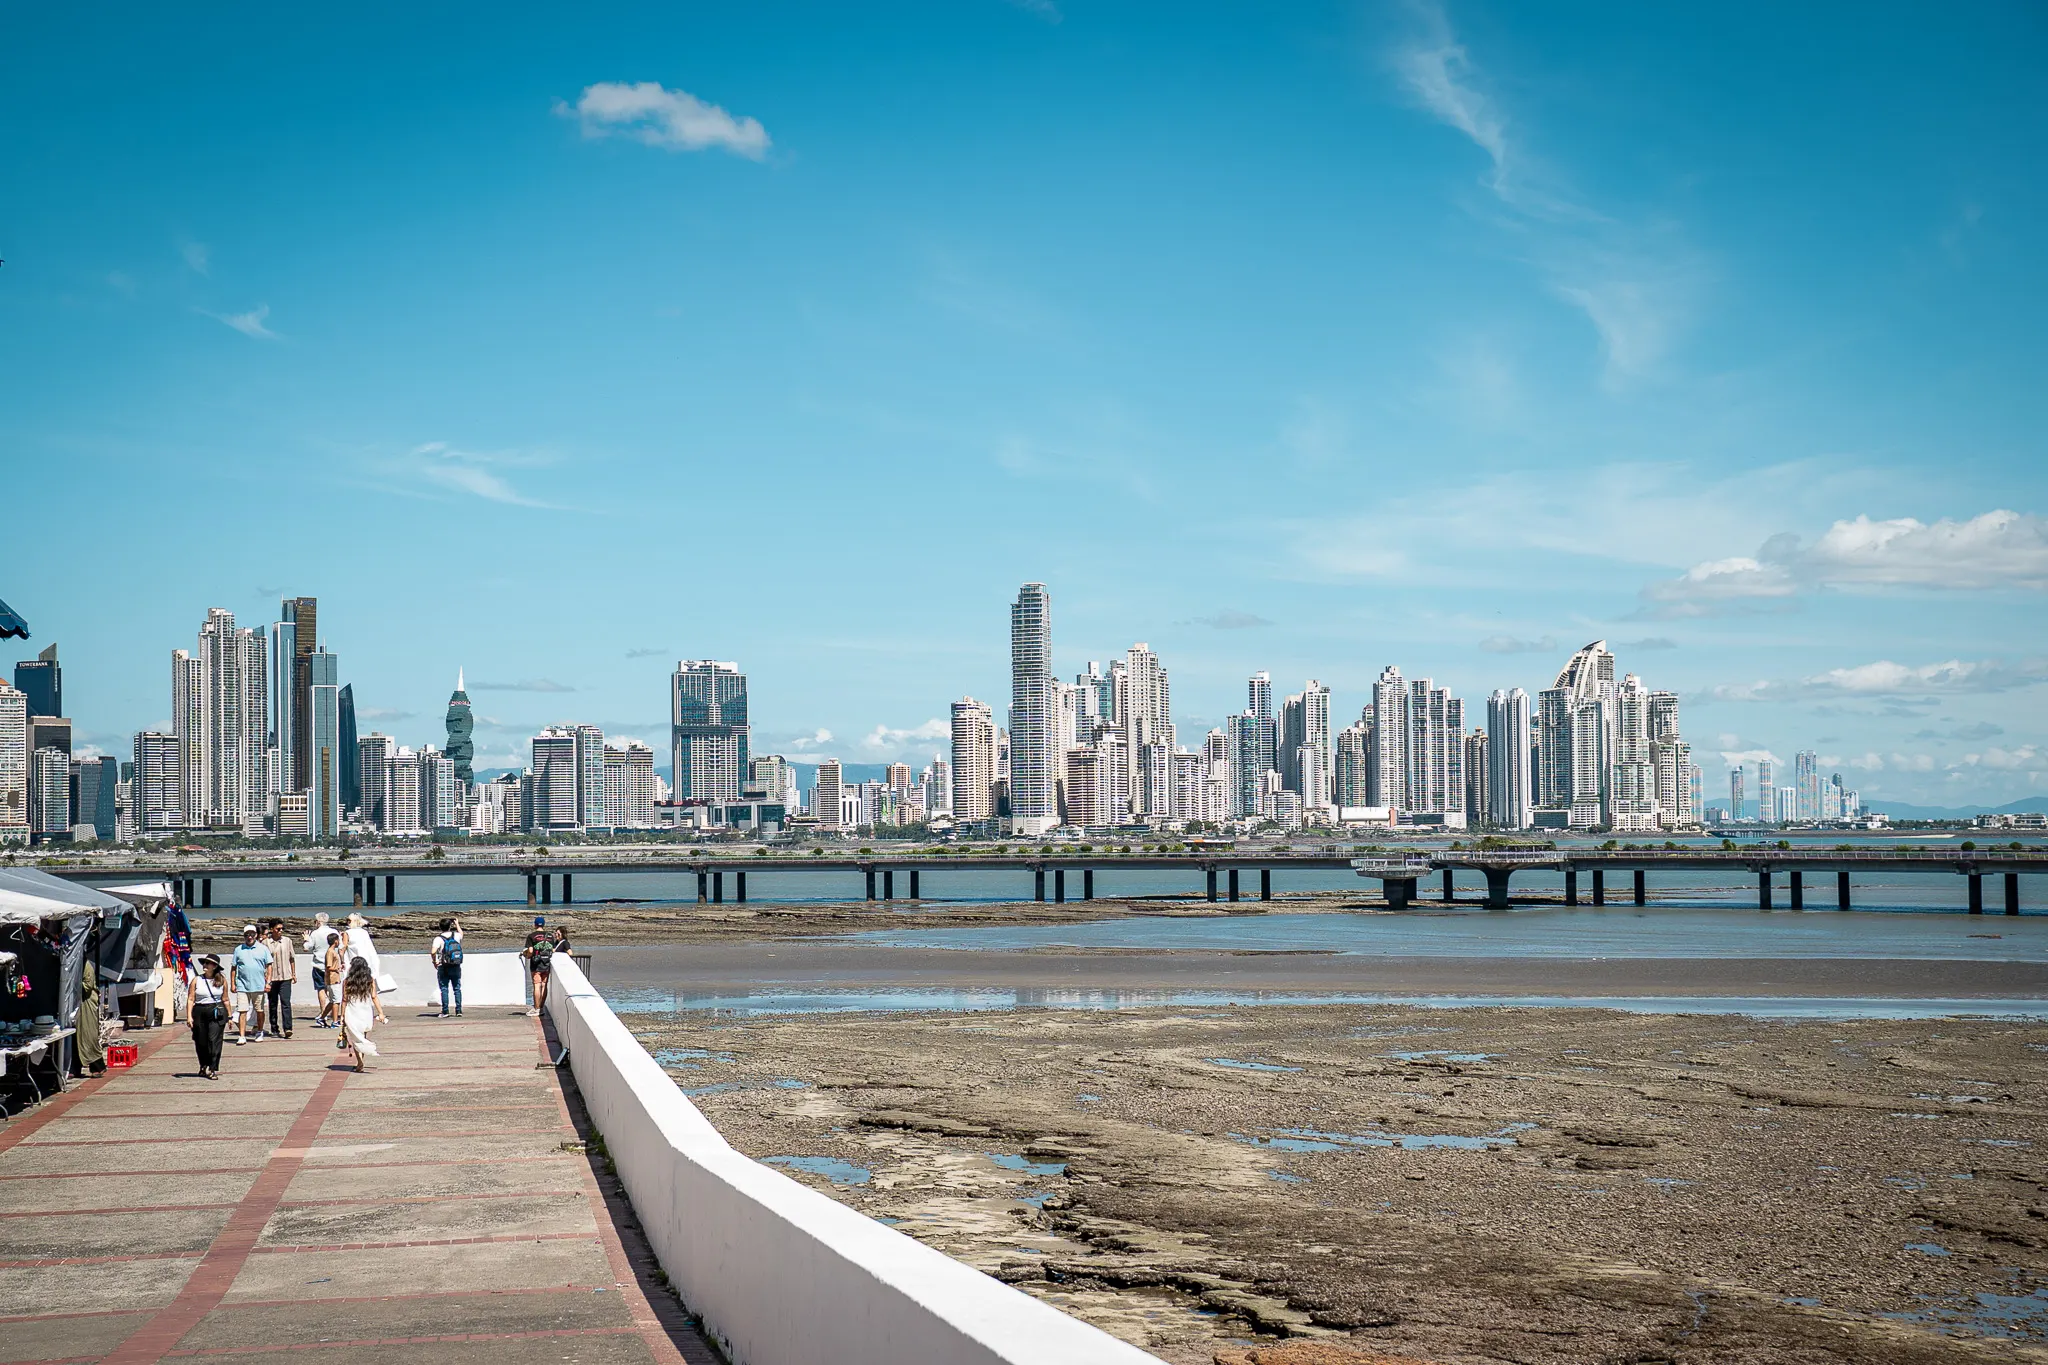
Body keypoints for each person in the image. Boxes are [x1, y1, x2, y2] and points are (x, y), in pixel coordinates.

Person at [229, 924, 272, 1044]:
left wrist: (268, 982)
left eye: (252, 934)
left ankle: (259, 1031)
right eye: (247, 935)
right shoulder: (238, 949)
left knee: (259, 1010)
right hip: (242, 986)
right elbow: (233, 968)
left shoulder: (263, 949)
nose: (249, 937)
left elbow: (269, 966)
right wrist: (233, 983)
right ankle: (242, 1035)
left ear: (256, 935)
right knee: (242, 1010)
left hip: (259, 986)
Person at [343, 913, 388, 1023]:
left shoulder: (347, 933)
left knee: (351, 992)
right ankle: (372, 1013)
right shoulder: (364, 933)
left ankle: (349, 1014)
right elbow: (370, 950)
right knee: (367, 992)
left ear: (354, 922)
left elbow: (343, 948)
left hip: (353, 965)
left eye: (348, 920)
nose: (347, 922)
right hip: (365, 965)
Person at [189, 954, 228, 1079]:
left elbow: (225, 999)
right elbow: (190, 999)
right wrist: (189, 1016)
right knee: (201, 1041)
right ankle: (203, 1065)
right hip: (199, 1011)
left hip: (216, 1011)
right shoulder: (197, 980)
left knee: (214, 1040)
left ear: (215, 966)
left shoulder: (221, 980)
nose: (205, 965)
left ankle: (212, 1068)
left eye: (208, 963)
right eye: (204, 963)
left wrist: (230, 1016)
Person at [339, 957, 379, 1072]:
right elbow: (374, 996)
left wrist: (342, 1016)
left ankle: (359, 1061)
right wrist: (381, 1013)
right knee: (363, 1036)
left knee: (356, 1037)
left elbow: (344, 1000)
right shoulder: (370, 980)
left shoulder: (347, 981)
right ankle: (361, 1060)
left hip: (352, 1011)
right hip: (365, 1011)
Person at [303, 913, 339, 1028]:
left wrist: (306, 939)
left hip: (319, 965)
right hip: (332, 967)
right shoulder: (334, 932)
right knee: (333, 991)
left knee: (321, 989)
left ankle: (323, 1012)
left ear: (318, 922)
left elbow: (306, 948)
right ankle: (330, 1014)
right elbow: (341, 947)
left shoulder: (315, 933)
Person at [264, 921, 297, 1039]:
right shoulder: (265, 943)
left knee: (286, 1002)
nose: (280, 931)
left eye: (282, 929)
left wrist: (293, 973)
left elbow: (292, 958)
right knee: (273, 1004)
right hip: (271, 978)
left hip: (285, 977)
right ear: (272, 929)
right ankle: (274, 1028)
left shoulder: (287, 941)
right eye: (278, 929)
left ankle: (288, 1028)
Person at [522, 915, 557, 1017]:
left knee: (537, 985)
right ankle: (541, 1008)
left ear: (535, 924)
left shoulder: (531, 936)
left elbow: (531, 951)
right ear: (544, 925)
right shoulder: (550, 936)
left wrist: (527, 956)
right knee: (544, 985)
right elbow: (553, 950)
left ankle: (536, 1009)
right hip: (547, 963)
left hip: (536, 963)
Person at [430, 917, 465, 1018]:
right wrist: (457, 924)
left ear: (440, 927)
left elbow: (433, 951)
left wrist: (434, 961)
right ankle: (458, 1010)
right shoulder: (456, 936)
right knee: (457, 988)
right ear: (450, 926)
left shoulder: (438, 939)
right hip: (455, 965)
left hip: (444, 966)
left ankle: (445, 1011)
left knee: (444, 988)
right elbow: (461, 934)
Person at [323, 928, 347, 1025]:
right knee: (336, 1001)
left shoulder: (333, 952)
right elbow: (328, 967)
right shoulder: (330, 952)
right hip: (332, 979)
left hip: (335, 978)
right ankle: (334, 1021)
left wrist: (340, 966)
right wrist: (336, 969)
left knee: (333, 1000)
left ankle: (322, 1017)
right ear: (335, 941)